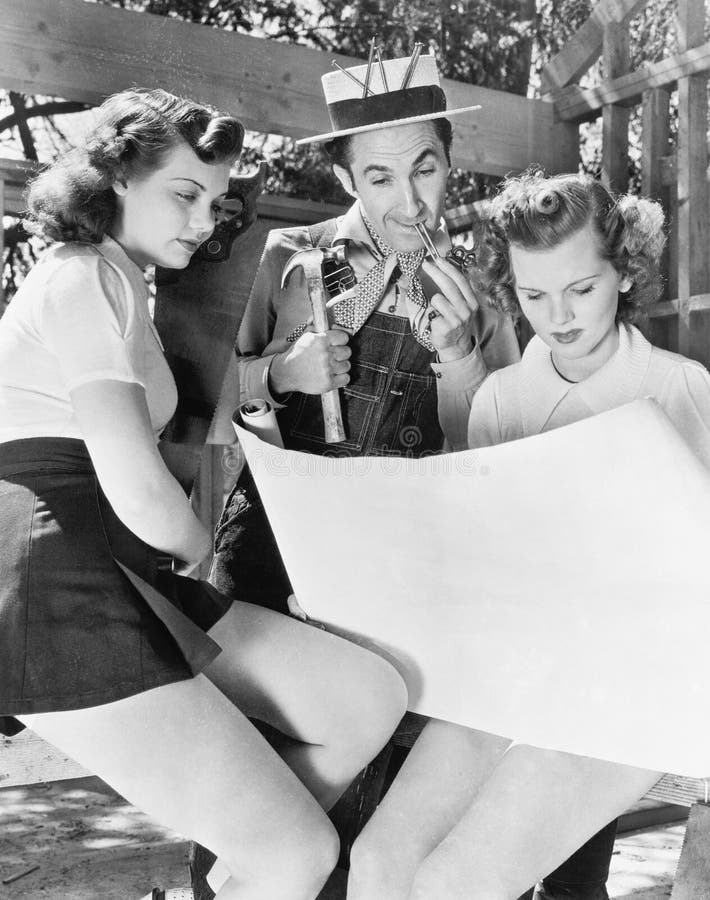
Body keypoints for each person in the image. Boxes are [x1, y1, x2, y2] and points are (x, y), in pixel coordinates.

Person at [0, 87, 408, 900]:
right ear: (113, 178)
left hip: (110, 554)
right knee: (299, 855)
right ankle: (265, 865)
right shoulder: (83, 278)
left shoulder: (122, 286)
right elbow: (136, 484)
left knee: (363, 698)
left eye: (216, 201)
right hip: (55, 570)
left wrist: (274, 375)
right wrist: (196, 554)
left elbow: (179, 429)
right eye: (184, 194)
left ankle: (232, 876)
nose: (203, 219)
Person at [346, 170, 710, 900]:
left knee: (457, 881)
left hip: (632, 683)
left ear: (625, 271)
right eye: (535, 295)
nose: (560, 316)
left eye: (581, 289)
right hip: (514, 672)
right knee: (380, 863)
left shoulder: (682, 388)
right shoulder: (500, 398)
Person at [210, 49, 521, 615]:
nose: (410, 205)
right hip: (273, 543)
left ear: (450, 161)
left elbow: (501, 452)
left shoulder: (485, 286)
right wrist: (280, 373)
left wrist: (462, 360)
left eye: (425, 170)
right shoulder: (287, 258)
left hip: (406, 558)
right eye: (380, 178)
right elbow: (211, 409)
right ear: (345, 177)